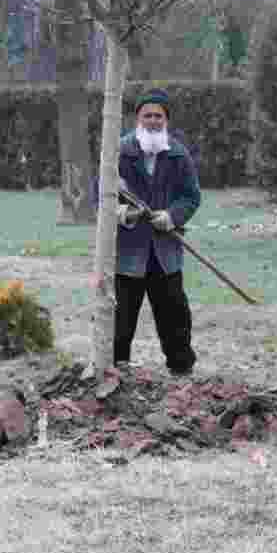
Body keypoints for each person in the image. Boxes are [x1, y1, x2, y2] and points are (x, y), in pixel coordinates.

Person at [114, 88, 201, 376]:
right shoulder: (119, 152)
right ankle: (116, 367)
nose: (153, 120)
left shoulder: (177, 154)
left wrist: (172, 216)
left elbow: (191, 196)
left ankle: (181, 368)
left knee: (174, 313)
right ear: (137, 118)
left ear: (166, 120)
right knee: (121, 314)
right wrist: (123, 214)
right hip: (128, 252)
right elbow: (99, 197)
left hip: (165, 250)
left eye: (158, 116)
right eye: (147, 115)